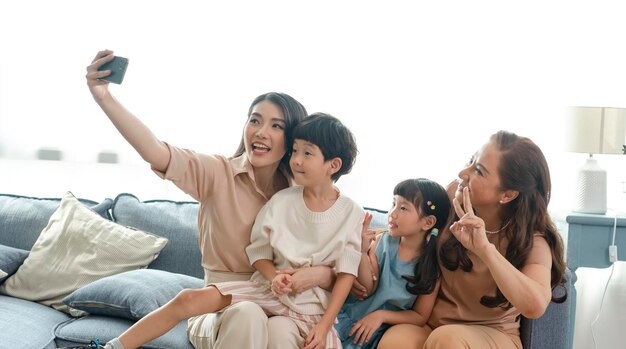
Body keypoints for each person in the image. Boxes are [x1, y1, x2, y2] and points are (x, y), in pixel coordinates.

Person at [85, 50, 335, 349]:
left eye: (276, 126)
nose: (261, 132)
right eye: (255, 121)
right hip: (220, 309)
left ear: (293, 139)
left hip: (283, 309)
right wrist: (104, 98)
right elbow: (156, 151)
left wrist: (322, 273)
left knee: (279, 328)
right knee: (248, 314)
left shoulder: (303, 193)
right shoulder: (218, 173)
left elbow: (339, 261)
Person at [100, 113, 364, 349]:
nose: (296, 160)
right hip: (268, 291)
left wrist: (324, 324)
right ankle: (111, 346)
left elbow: (346, 274)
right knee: (188, 299)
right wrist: (273, 277)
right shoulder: (282, 199)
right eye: (295, 151)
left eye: (307, 153)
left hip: (309, 310)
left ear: (333, 165)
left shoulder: (351, 212)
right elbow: (259, 251)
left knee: (280, 332)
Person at [377, 131, 568, 349]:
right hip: (433, 327)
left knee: (448, 340)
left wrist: (485, 250)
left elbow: (535, 306)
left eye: (478, 170)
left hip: (493, 335)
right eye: (471, 160)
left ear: (507, 195)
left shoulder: (532, 241)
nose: (462, 172)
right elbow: (412, 225)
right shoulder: (452, 197)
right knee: (397, 340)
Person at [335, 178, 451, 349]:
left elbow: (419, 315)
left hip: (373, 334)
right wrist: (362, 253)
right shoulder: (383, 241)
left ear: (427, 222)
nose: (392, 213)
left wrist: (381, 315)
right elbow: (368, 288)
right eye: (393, 204)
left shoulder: (431, 267)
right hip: (348, 315)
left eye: (403, 208)